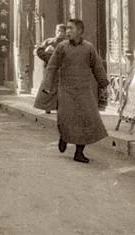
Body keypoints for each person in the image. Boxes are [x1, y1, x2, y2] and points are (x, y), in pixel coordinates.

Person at [40, 19, 109, 164]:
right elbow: (52, 67)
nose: (68, 32)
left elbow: (97, 67)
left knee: (86, 120)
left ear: (80, 31)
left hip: (83, 90)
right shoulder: (61, 47)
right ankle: (64, 137)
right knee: (65, 118)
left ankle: (79, 152)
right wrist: (47, 85)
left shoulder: (89, 48)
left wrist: (103, 83)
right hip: (66, 89)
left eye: (71, 28)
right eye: (67, 29)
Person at [34, 24, 66, 114]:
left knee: (62, 89)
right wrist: (47, 55)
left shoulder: (67, 43)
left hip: (62, 69)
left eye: (62, 31)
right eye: (58, 31)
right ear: (55, 31)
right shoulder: (49, 41)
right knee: (48, 88)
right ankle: (47, 107)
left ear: (65, 33)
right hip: (50, 69)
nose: (60, 33)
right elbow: (39, 51)